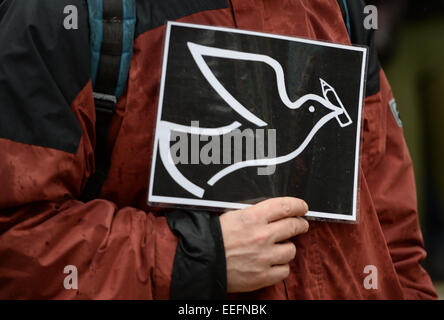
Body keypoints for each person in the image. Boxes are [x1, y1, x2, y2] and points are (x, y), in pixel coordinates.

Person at [0, 0, 437, 299]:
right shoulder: (71, 15)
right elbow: (17, 235)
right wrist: (199, 257)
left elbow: (389, 228)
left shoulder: (337, 7)